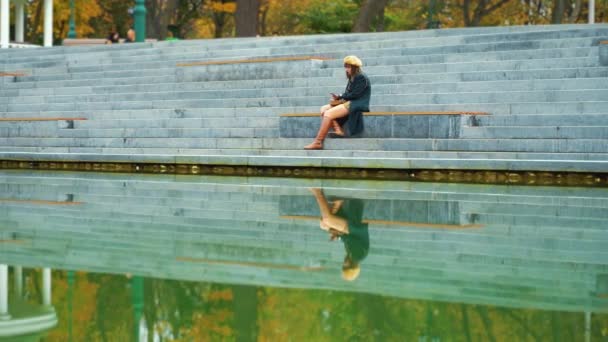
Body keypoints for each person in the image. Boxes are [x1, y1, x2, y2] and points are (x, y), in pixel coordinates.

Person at [304, 55, 371, 150]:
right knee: (323, 108)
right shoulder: (352, 78)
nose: (346, 69)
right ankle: (338, 129)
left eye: (348, 67)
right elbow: (348, 93)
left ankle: (318, 142)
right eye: (345, 66)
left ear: (354, 67)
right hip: (349, 101)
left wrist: (340, 96)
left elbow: (355, 95)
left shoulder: (361, 77)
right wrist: (338, 97)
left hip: (357, 103)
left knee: (328, 113)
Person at [310, 188, 369, 281]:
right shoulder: (358, 256)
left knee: (323, 225)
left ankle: (337, 205)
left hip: (349, 230)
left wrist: (337, 235)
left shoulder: (351, 255)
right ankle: (317, 192)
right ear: (353, 266)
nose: (344, 264)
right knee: (327, 219)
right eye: (346, 267)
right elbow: (351, 239)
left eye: (344, 267)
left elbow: (346, 240)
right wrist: (338, 235)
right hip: (354, 228)